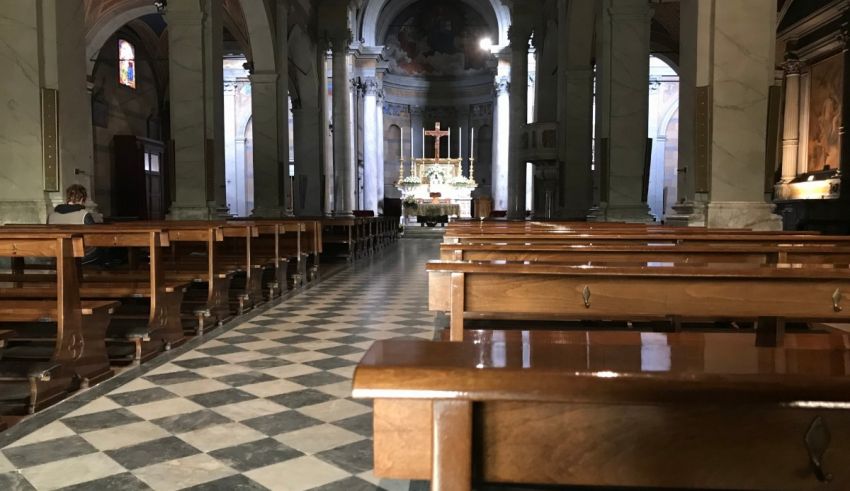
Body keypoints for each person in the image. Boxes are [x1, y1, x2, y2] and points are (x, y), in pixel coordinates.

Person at [48, 184, 105, 265]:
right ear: (82, 199)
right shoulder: (84, 214)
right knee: (102, 247)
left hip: (58, 252)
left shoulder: (52, 215)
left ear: (67, 198)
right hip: (81, 254)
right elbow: (93, 237)